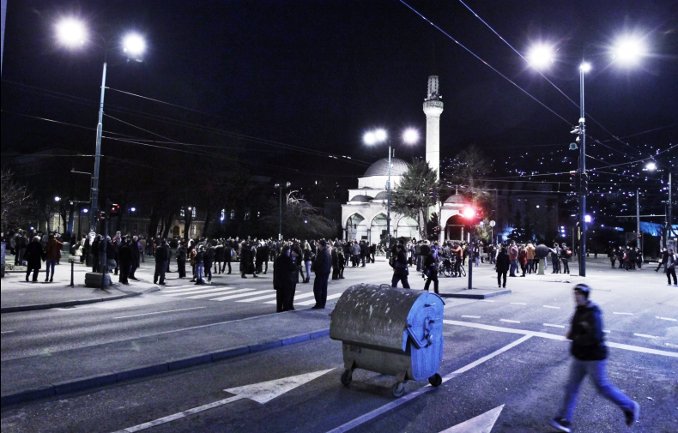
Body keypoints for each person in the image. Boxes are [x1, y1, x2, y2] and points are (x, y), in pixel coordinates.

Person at [550, 284, 640, 433]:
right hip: (579, 356)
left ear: (585, 296)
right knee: (571, 387)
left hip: (594, 358)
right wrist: (572, 334)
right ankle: (565, 419)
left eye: (578, 294)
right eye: (575, 294)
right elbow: (575, 329)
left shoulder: (593, 312)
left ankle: (630, 406)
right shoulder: (579, 310)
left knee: (603, 387)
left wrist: (576, 337)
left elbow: (595, 337)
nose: (576, 297)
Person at [273, 245, 298, 312]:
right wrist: (293, 260)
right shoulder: (288, 259)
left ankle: (279, 309)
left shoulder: (278, 258)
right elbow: (293, 268)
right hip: (287, 281)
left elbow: (275, 269)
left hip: (279, 280)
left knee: (279, 297)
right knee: (286, 296)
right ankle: (285, 308)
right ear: (287, 251)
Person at [311, 240, 332, 309]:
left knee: (317, 289)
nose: (318, 246)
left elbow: (318, 263)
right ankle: (322, 303)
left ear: (321, 245)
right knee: (323, 289)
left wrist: (314, 268)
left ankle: (319, 303)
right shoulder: (327, 252)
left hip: (321, 273)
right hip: (326, 272)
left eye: (318, 245)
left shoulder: (322, 253)